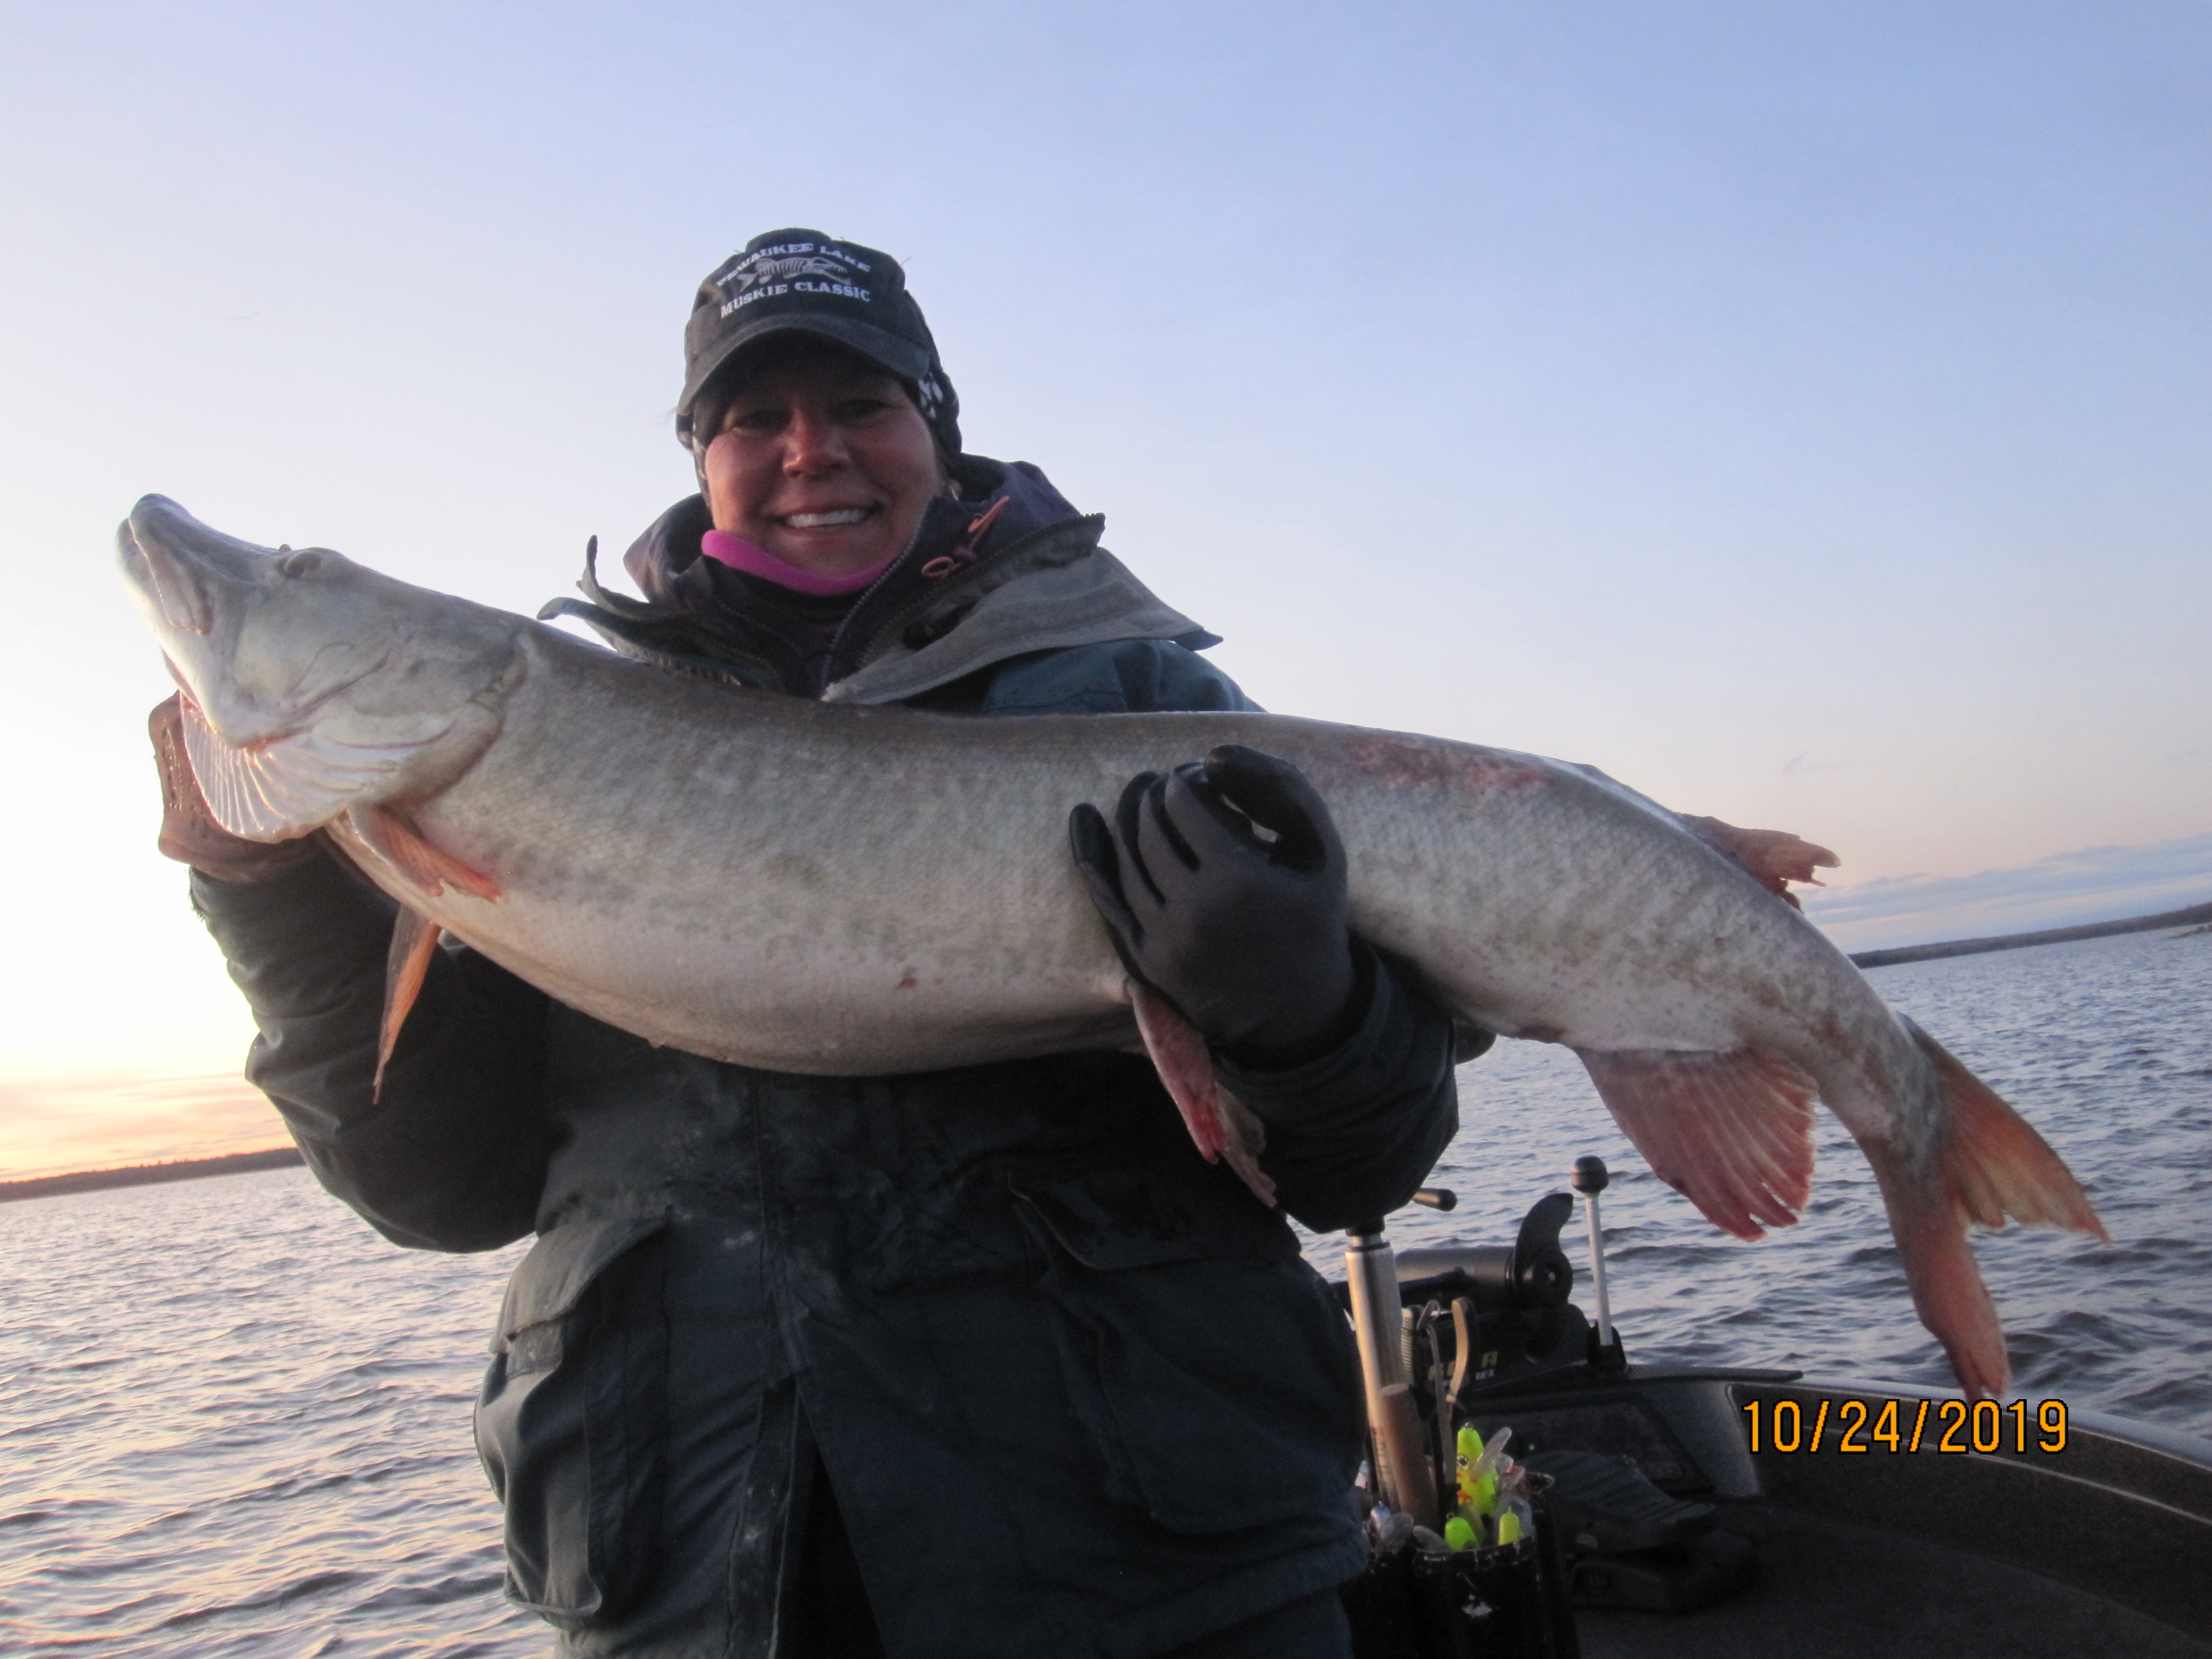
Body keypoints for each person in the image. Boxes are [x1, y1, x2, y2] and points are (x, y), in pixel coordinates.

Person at [154, 229, 1465, 1659]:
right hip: (702, 1590)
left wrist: (1305, 1014)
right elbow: (442, 1185)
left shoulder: (1143, 695)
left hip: (1160, 1582)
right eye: (754, 418)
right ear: (700, 459)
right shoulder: (532, 750)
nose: (809, 451)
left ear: (934, 435)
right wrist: (265, 888)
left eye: (860, 406)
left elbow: (1362, 1167)